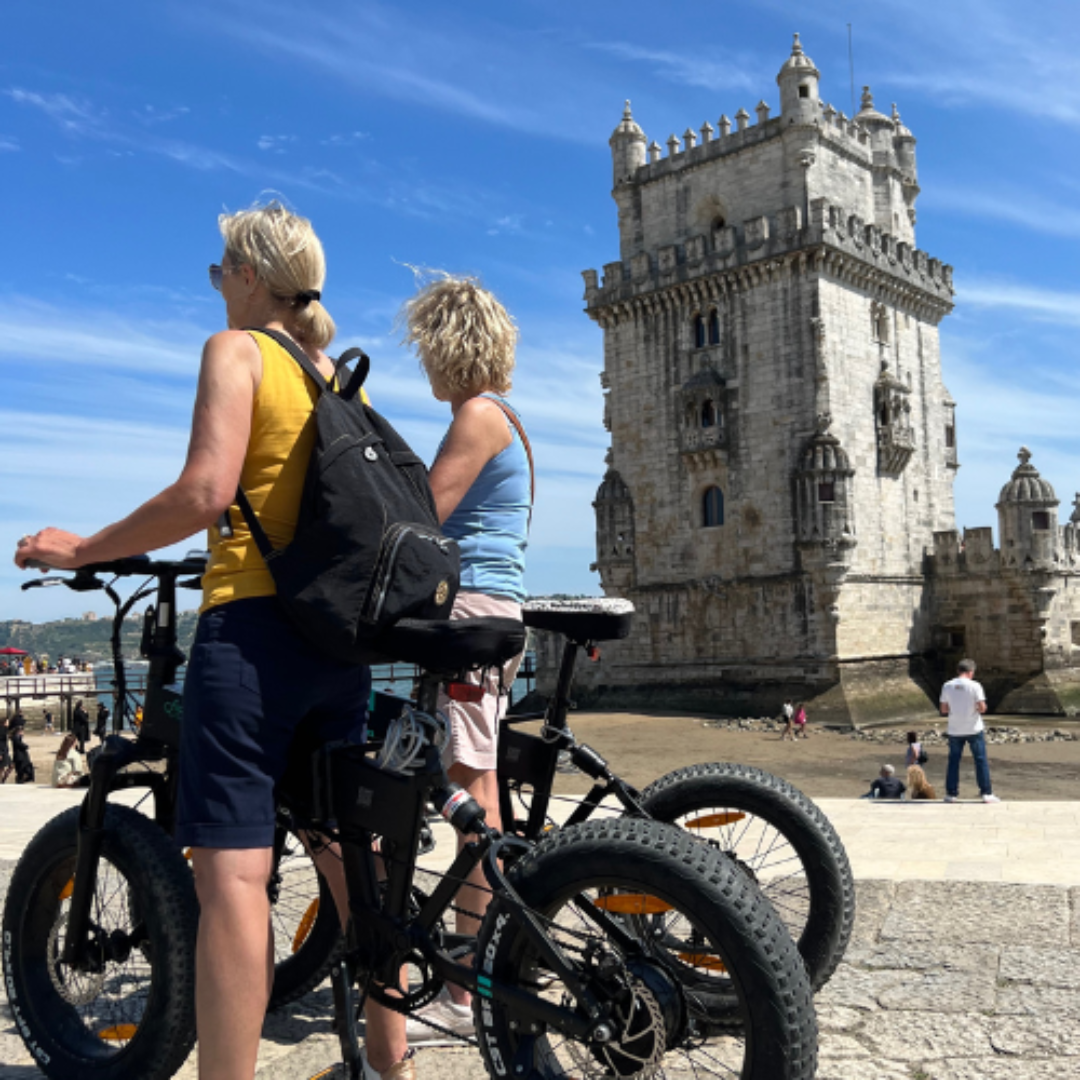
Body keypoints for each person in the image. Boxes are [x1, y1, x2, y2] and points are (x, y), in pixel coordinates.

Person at [15, 201, 410, 1080]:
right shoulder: (340, 379)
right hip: (336, 643)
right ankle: (395, 1060)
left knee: (232, 878)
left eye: (217, 270)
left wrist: (79, 546)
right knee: (350, 856)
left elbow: (205, 492)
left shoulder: (237, 351)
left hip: (255, 641)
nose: (215, 285)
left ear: (249, 277)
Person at [399, 274, 529, 1044]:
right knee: (477, 790)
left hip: (470, 612)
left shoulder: (478, 416)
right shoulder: (508, 416)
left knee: (472, 800)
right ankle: (491, 968)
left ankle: (468, 990)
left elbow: (420, 519)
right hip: (495, 610)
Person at [940, 658, 1000, 804]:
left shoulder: (947, 685)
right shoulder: (975, 686)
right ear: (971, 672)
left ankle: (951, 794)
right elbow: (983, 707)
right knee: (980, 760)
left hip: (955, 729)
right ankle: (986, 793)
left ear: (958, 671)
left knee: (953, 761)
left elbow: (943, 709)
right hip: (973, 728)